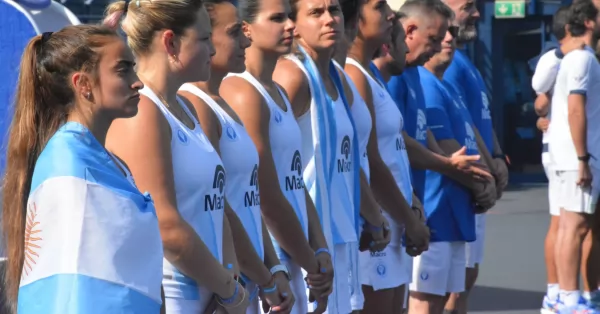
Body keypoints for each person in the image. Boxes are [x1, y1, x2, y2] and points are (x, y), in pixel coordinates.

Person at [2, 25, 163, 313]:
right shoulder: (69, 162)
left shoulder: (98, 158)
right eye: (123, 69)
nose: (137, 82)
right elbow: (74, 287)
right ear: (83, 84)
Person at [103, 1, 249, 313]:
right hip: (172, 301)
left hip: (213, 297)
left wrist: (230, 281)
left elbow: (217, 205)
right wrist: (229, 292)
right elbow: (166, 226)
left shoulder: (186, 107)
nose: (212, 50)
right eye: (205, 39)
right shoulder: (141, 111)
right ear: (170, 42)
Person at [177, 0, 295, 312]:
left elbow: (249, 201)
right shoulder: (196, 105)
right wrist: (261, 277)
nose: (246, 40)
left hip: (246, 281)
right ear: (204, 38)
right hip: (222, 286)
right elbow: (222, 210)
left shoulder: (224, 103)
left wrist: (273, 270)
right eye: (233, 32)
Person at [273, 0, 389, 311]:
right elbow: (270, 175)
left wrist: (375, 217)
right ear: (293, 24)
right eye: (316, 12)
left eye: (334, 10)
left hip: (340, 236)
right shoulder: (291, 77)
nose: (330, 19)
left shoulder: (337, 76)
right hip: (303, 246)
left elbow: (347, 162)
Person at [221, 0, 335, 311]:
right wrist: (311, 263)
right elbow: (266, 195)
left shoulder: (279, 92)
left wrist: (320, 247)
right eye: (276, 19)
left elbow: (294, 180)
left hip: (296, 253)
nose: (291, 27)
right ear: (246, 29)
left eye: (288, 17)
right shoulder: (243, 92)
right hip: (272, 259)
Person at [344, 5, 428, 313]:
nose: (391, 15)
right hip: (376, 228)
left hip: (392, 224)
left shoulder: (370, 74)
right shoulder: (353, 74)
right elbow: (370, 162)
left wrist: (411, 203)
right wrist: (407, 218)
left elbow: (394, 150)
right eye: (380, 6)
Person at [530, 5, 600, 311]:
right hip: (575, 156)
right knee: (574, 227)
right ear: (587, 22)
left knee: (567, 226)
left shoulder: (576, 58)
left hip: (566, 156)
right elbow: (574, 108)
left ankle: (559, 298)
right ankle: (569, 300)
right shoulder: (582, 58)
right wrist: (583, 157)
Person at [408, 21, 481, 314]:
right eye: (440, 34)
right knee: (424, 299)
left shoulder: (445, 83)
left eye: (451, 32)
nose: (448, 39)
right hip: (432, 208)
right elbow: (435, 146)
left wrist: (492, 165)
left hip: (455, 209)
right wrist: (480, 182)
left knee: (446, 296)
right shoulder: (419, 82)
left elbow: (470, 131)